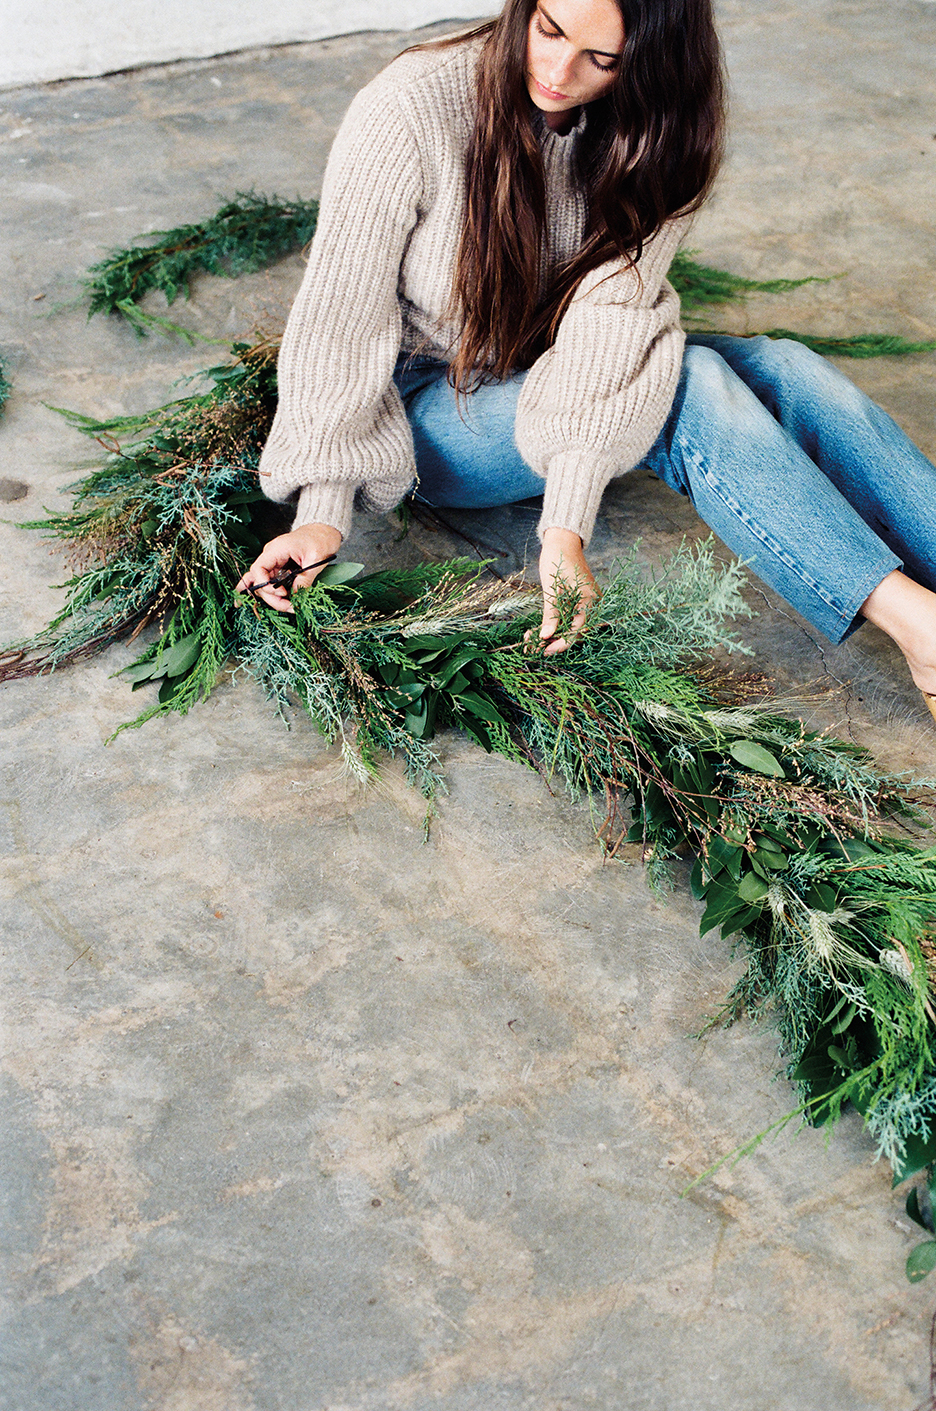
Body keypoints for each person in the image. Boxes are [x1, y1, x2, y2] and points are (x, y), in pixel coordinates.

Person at [236, 0, 936, 723]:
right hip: (428, 412)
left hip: (554, 366)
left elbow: (610, 324)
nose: (557, 72)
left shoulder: (664, 135)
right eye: (548, 29)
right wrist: (323, 513)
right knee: (689, 389)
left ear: (650, 67)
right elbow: (341, 322)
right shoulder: (408, 108)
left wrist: (565, 513)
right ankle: (921, 631)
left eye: (602, 60)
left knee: (782, 368)